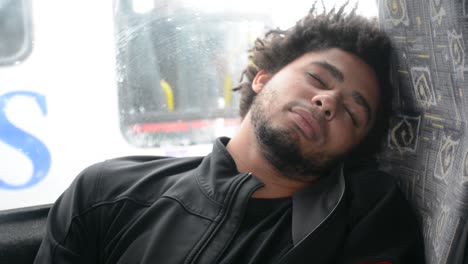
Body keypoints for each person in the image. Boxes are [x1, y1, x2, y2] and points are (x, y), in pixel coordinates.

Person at [34, 5, 425, 264]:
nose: (327, 102)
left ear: (352, 149)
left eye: (354, 112)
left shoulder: (363, 219)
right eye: (317, 78)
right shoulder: (104, 191)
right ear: (263, 77)